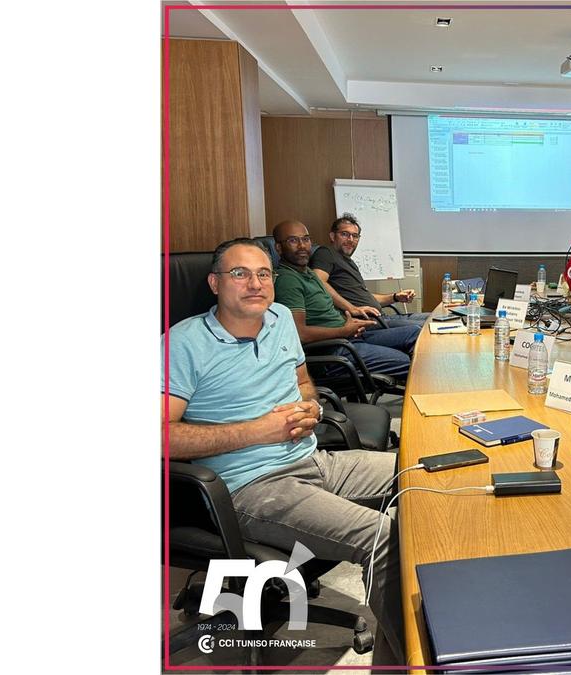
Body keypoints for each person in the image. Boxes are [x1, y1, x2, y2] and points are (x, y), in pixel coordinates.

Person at [162, 238, 405, 663]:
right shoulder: (182, 343)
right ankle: (411, 660)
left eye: (263, 274)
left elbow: (304, 384)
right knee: (385, 538)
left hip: (314, 460)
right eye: (240, 274)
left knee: (421, 472)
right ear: (215, 283)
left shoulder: (279, 319)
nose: (255, 284)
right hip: (251, 488)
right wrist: (259, 431)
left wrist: (311, 408)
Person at [272, 219, 420, 379]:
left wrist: (350, 319)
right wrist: (344, 329)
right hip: (334, 350)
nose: (302, 246)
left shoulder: (307, 273)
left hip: (349, 336)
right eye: (293, 240)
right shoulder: (288, 281)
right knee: (410, 363)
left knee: (414, 333)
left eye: (306, 239)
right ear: (278, 248)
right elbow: (300, 334)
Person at [310, 214, 432, 328]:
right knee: (426, 327)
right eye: (345, 234)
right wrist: (352, 308)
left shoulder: (348, 262)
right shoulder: (326, 253)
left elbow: (365, 296)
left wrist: (395, 297)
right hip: (369, 322)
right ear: (332, 236)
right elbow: (318, 281)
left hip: (383, 317)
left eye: (355, 236)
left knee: (434, 318)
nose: (350, 239)